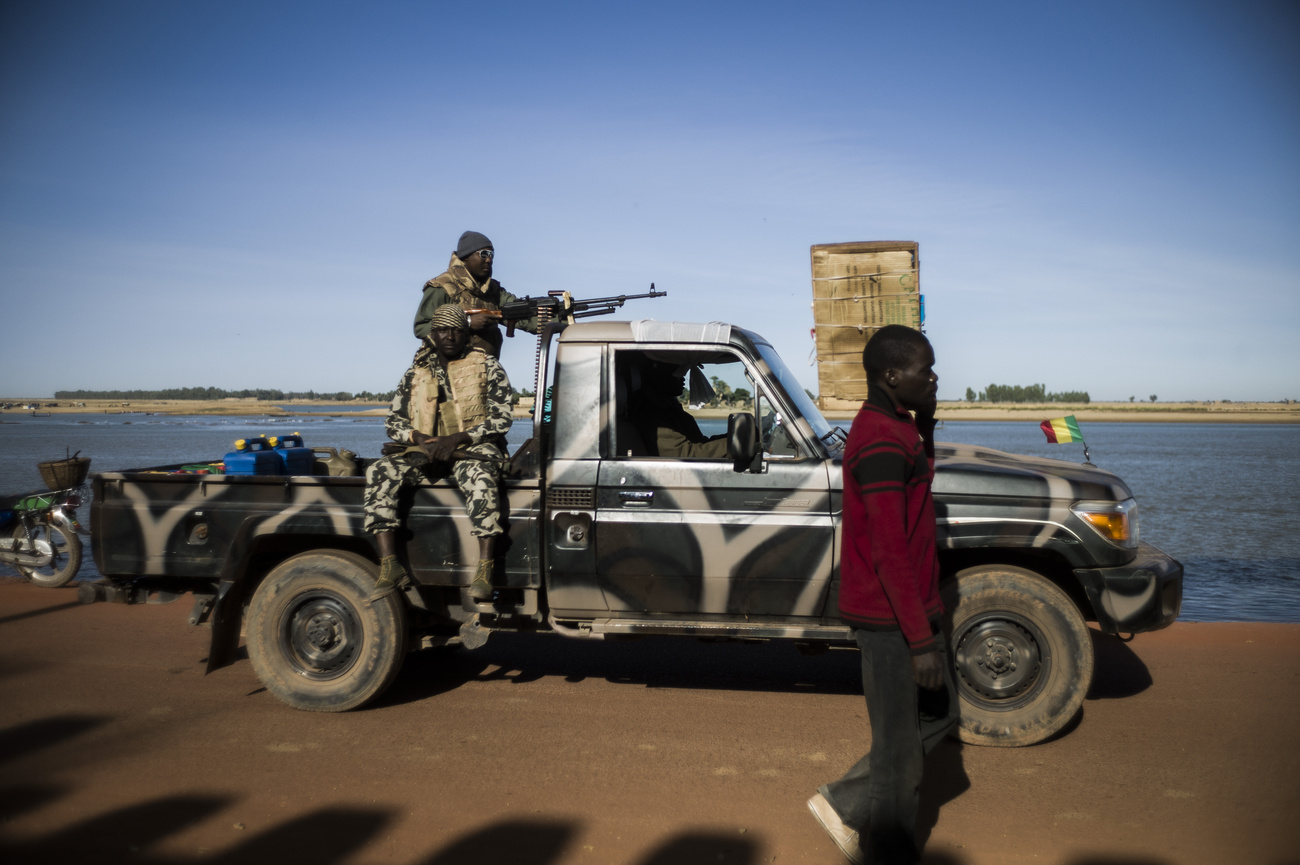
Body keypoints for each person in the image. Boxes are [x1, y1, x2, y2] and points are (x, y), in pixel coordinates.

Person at [807, 324, 959, 865]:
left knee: (941, 714)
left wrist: (927, 431)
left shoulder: (898, 428)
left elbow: (916, 492)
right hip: (890, 619)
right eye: (927, 368)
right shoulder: (877, 440)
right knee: (899, 756)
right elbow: (890, 550)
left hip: (913, 610)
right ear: (892, 376)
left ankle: (845, 804)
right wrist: (919, 642)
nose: (936, 376)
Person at [365, 304, 513, 603]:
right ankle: (390, 565)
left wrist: (459, 438)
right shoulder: (417, 371)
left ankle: (485, 569)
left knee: (481, 478)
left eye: (457, 330)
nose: (449, 336)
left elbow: (503, 417)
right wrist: (418, 438)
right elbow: (393, 420)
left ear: (465, 334)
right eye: (443, 330)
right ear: (433, 334)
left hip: (472, 448)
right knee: (378, 471)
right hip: (425, 448)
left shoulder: (486, 365)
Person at [413, 231, 539, 358]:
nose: (489, 260)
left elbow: (521, 313)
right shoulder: (443, 287)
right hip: (447, 372)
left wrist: (557, 315)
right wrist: (467, 323)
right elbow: (422, 326)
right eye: (483, 254)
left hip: (484, 372)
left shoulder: (493, 290)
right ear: (466, 256)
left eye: (491, 254)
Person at [626, 360, 729, 459]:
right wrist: (732, 445)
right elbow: (686, 455)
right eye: (678, 373)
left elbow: (699, 443)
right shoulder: (650, 414)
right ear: (661, 375)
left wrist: (732, 438)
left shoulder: (667, 408)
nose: (684, 378)